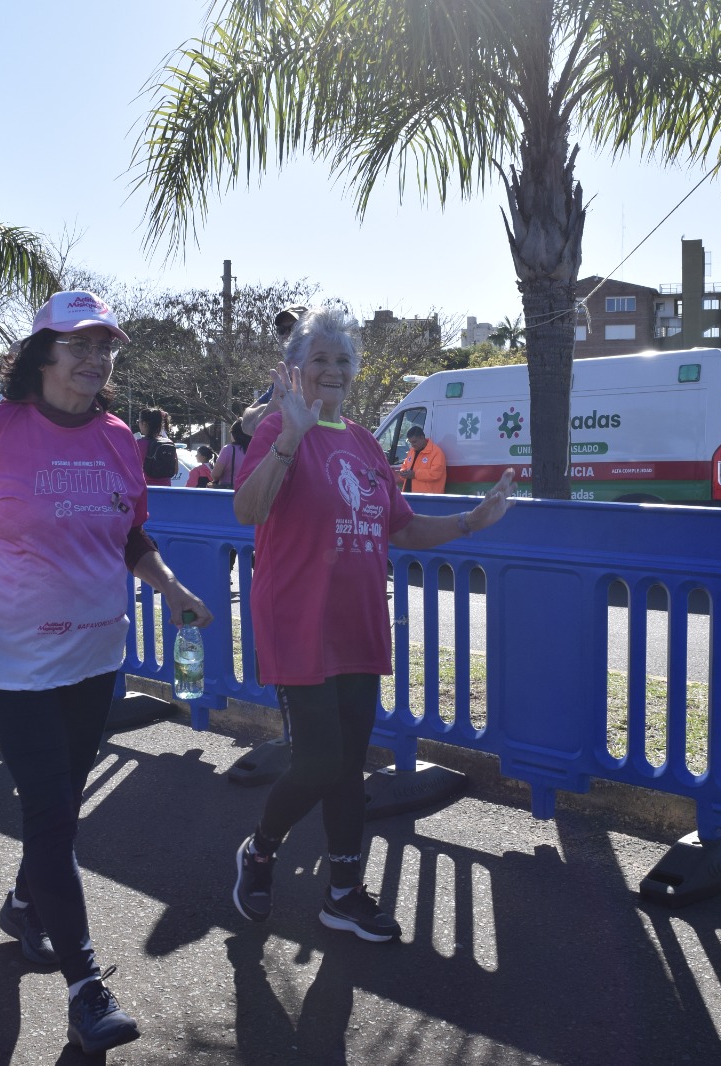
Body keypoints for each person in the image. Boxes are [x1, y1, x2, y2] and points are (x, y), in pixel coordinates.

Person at [0, 290, 213, 1055]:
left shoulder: (119, 438)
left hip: (95, 657)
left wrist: (173, 589)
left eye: (105, 346)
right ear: (43, 354)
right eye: (79, 344)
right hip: (14, 660)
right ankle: (86, 987)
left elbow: (131, 536)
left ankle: (24, 904)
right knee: (54, 818)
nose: (95, 358)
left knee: (59, 809)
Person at [229, 306, 515, 941]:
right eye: (319, 360)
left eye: (342, 361)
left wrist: (471, 522)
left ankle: (342, 892)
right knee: (318, 762)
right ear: (295, 371)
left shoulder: (362, 443)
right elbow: (247, 511)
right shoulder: (277, 430)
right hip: (297, 622)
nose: (332, 371)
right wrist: (289, 436)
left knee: (350, 765)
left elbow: (403, 526)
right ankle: (260, 849)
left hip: (356, 624)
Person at [240, 304, 309, 436]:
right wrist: (270, 407)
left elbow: (258, 425)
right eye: (281, 330)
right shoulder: (284, 376)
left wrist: (265, 412)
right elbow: (247, 422)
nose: (286, 335)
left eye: (293, 328)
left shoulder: (317, 371)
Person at [395, 425, 447, 493]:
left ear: (422, 438)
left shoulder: (436, 452)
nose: (412, 445)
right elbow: (405, 465)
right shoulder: (412, 451)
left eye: (414, 442)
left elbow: (436, 473)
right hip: (410, 495)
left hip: (428, 498)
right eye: (410, 442)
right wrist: (403, 472)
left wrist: (415, 474)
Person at [136, 407, 179, 485]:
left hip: (146, 490)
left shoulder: (138, 444)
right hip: (165, 490)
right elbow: (175, 470)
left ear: (144, 424)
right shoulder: (169, 443)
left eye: (138, 421)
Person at [211, 419, 251, 490]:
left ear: (235, 434)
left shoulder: (228, 449)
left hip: (229, 491)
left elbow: (215, 475)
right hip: (248, 491)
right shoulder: (254, 450)